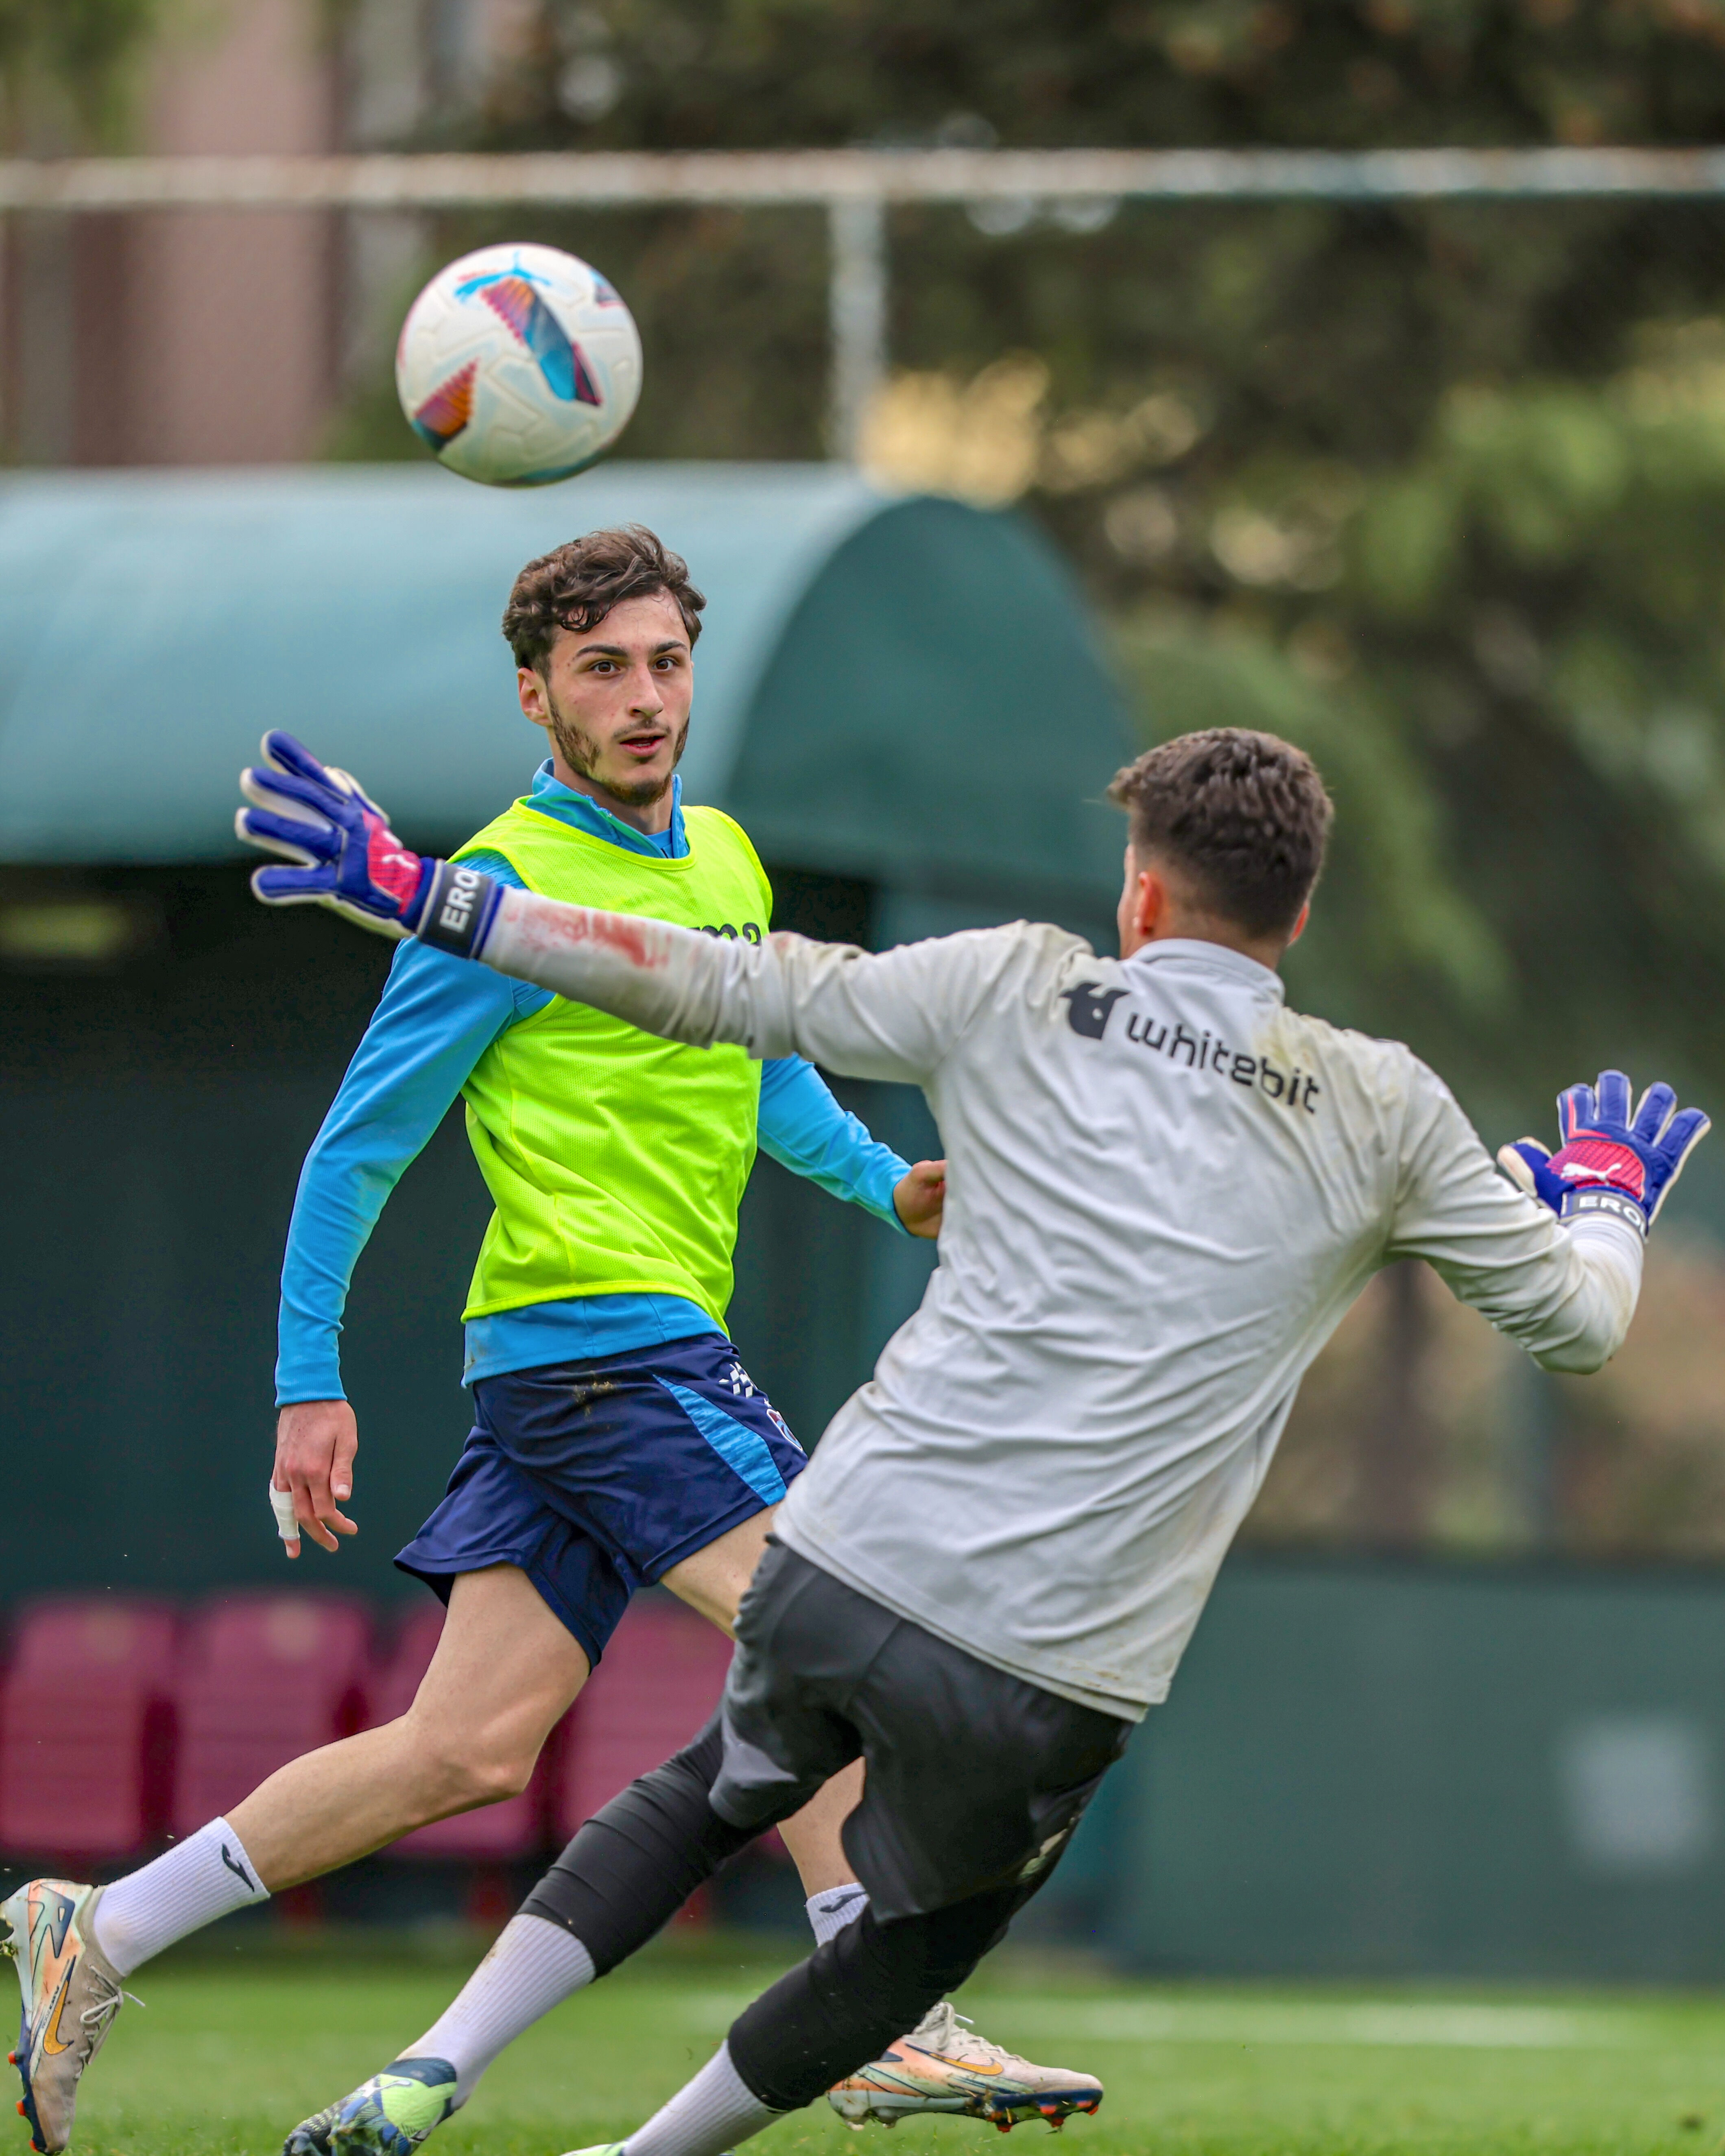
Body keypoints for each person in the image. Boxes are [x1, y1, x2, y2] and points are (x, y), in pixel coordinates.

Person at [229, 717, 1706, 2156]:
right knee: (896, 1962)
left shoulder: (1015, 983)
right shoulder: (1383, 1110)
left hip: (854, 1553)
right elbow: (1578, 1321)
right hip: (1062, 1663)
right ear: (1302, 910)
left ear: (1138, 890)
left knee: (704, 1793)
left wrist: (427, 891)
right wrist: (1601, 1202)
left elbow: (705, 986)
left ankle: (436, 2066)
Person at [0, 527, 1090, 2156]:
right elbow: (357, 1145)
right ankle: (884, 2002)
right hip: (604, 1346)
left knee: (464, 1744)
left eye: (665, 661)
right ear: (538, 694)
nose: (645, 698)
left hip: (582, 1367)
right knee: (842, 1622)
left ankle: (96, 1927)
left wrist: (885, 1183)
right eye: (604, 669)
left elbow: (759, 1061)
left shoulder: (722, 854)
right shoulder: (496, 890)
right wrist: (309, 1375)